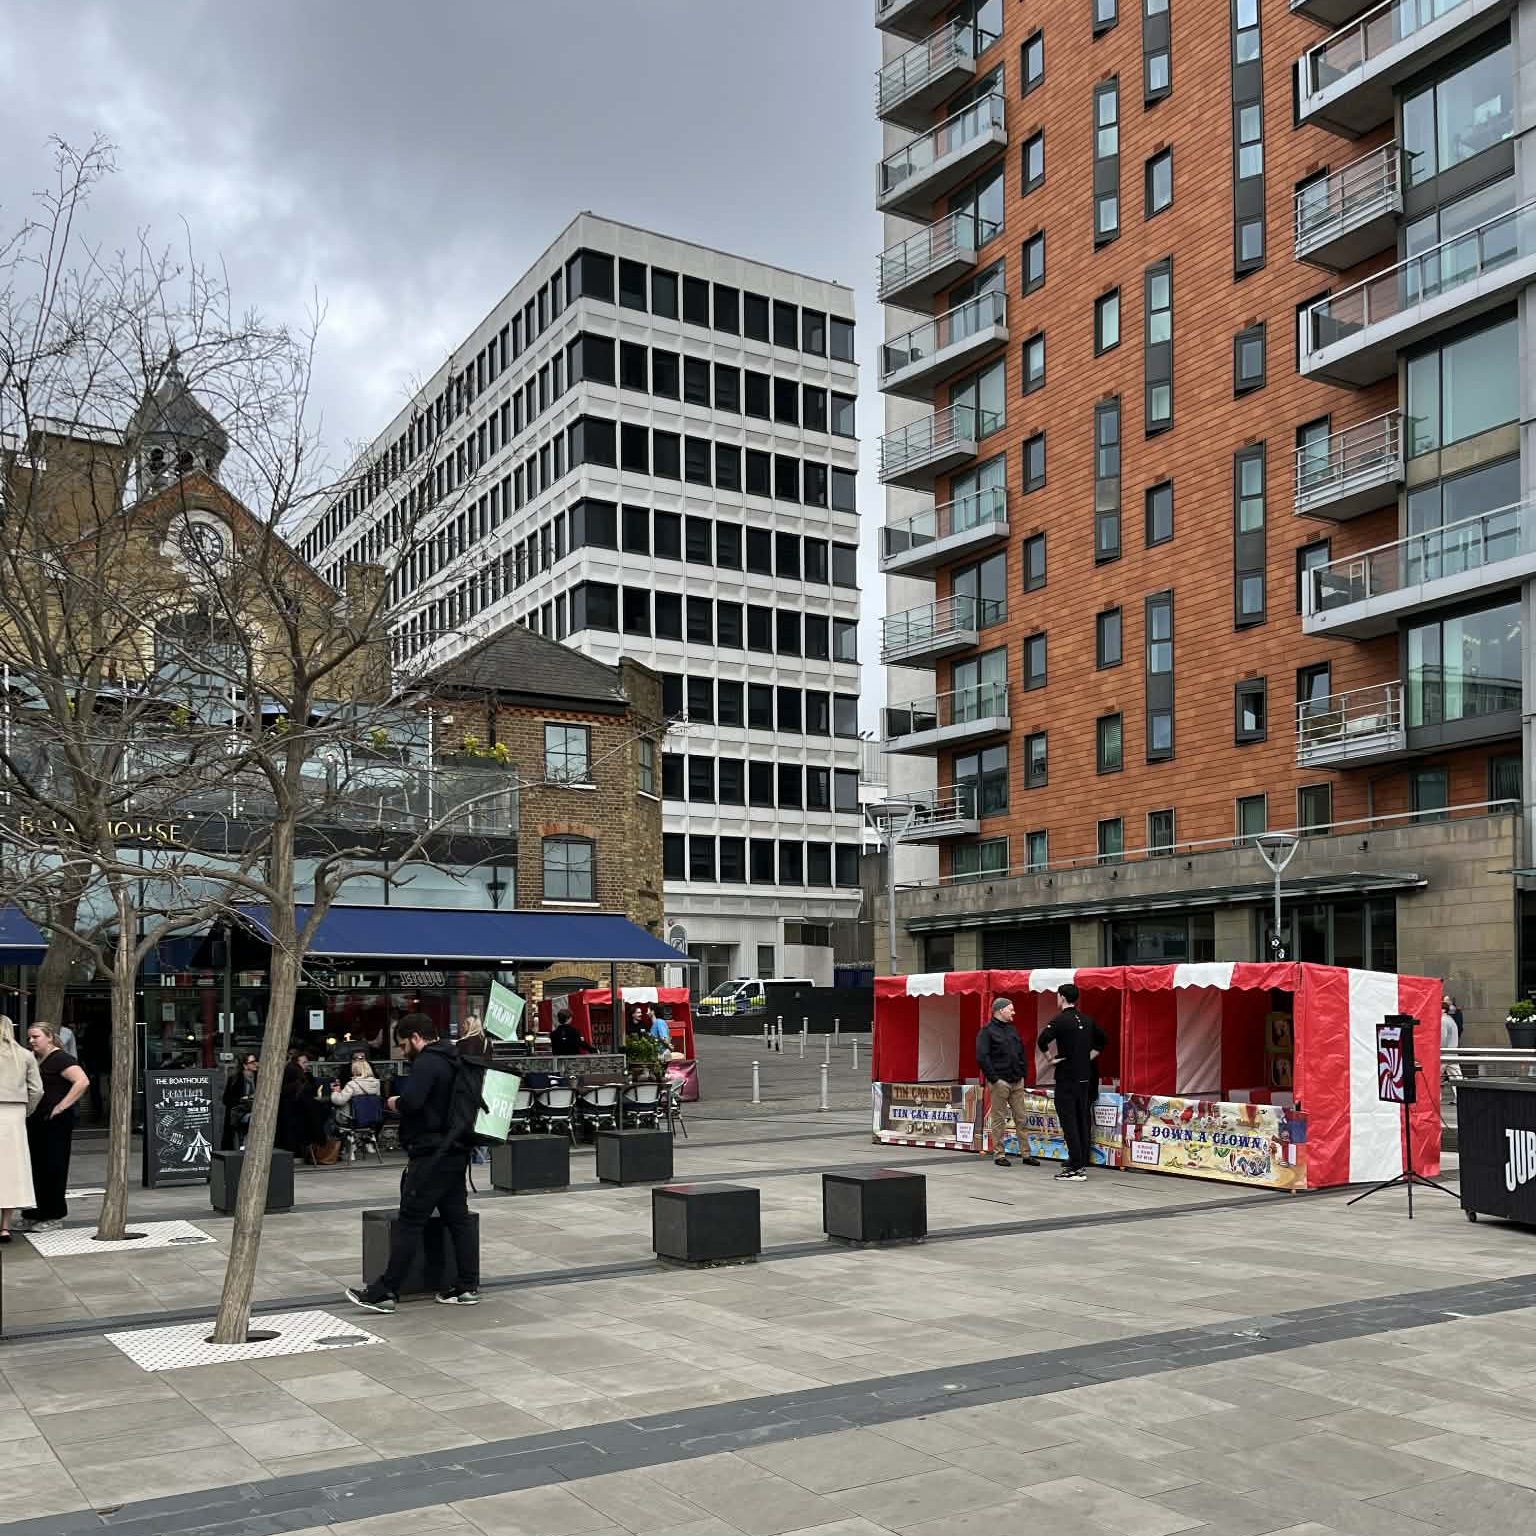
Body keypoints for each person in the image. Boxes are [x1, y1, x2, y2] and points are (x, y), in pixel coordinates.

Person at [347, 1013, 479, 1313]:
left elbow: (413, 1103)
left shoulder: (428, 1062)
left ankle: (385, 1291)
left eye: (404, 1044)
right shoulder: (455, 1057)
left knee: (410, 1220)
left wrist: (395, 1102)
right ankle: (467, 1286)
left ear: (417, 1038)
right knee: (458, 1218)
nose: (404, 1051)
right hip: (456, 1149)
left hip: (431, 1154)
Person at [18, 1021, 89, 1231]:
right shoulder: (37, 1059)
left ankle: (53, 1215)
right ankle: (33, 1213)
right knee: (36, 1168)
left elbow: (82, 1081)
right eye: (29, 1038)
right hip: (37, 1120)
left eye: (36, 1037)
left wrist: (61, 1106)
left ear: (49, 1037)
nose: (31, 1041)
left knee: (53, 1167)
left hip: (55, 1123)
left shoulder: (61, 1059)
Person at [1037, 984, 1106, 1183]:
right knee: (1081, 1117)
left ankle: (1076, 1167)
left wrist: (1050, 1059)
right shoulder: (1086, 1019)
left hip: (1067, 1076)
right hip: (1085, 1077)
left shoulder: (1060, 1021)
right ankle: (1080, 1159)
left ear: (1062, 997)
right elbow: (1102, 1040)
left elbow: (1042, 1041)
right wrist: (1088, 1057)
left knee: (1069, 1121)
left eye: (1057, 996)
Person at [976, 997, 1041, 1169]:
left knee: (1022, 1118)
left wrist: (1022, 1074)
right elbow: (982, 1057)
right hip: (1000, 1082)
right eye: (1011, 1009)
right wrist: (995, 1079)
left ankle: (1026, 1154)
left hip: (1016, 1080)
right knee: (999, 1118)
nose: (1014, 1012)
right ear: (1000, 1010)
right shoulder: (987, 1031)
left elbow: (1020, 1052)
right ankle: (999, 1154)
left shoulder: (1012, 1030)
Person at [0, 1016, 42, 1242]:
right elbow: (37, 1090)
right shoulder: (24, 1056)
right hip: (14, 1114)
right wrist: (26, 1110)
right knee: (11, 1172)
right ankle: (5, 1227)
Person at [222, 1052, 258, 1150]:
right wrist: (242, 1099)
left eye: (256, 1061)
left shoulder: (259, 1077)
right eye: (252, 1062)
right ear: (245, 1065)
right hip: (239, 1111)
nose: (256, 1064)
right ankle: (243, 1145)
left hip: (254, 1109)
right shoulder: (235, 1079)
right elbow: (226, 1099)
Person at [330, 1052, 381, 1116]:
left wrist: (335, 1092)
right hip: (373, 1116)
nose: (360, 1059)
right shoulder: (376, 1082)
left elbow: (339, 1101)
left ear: (354, 1069)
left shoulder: (352, 1084)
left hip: (352, 1118)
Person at [1441, 1000, 1462, 1082]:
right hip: (1453, 1053)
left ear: (1443, 1010)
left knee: (1433, 1080)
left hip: (1444, 1054)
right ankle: (1461, 1094)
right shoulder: (1451, 1020)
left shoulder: (1442, 1021)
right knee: (1457, 1079)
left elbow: (1442, 1039)